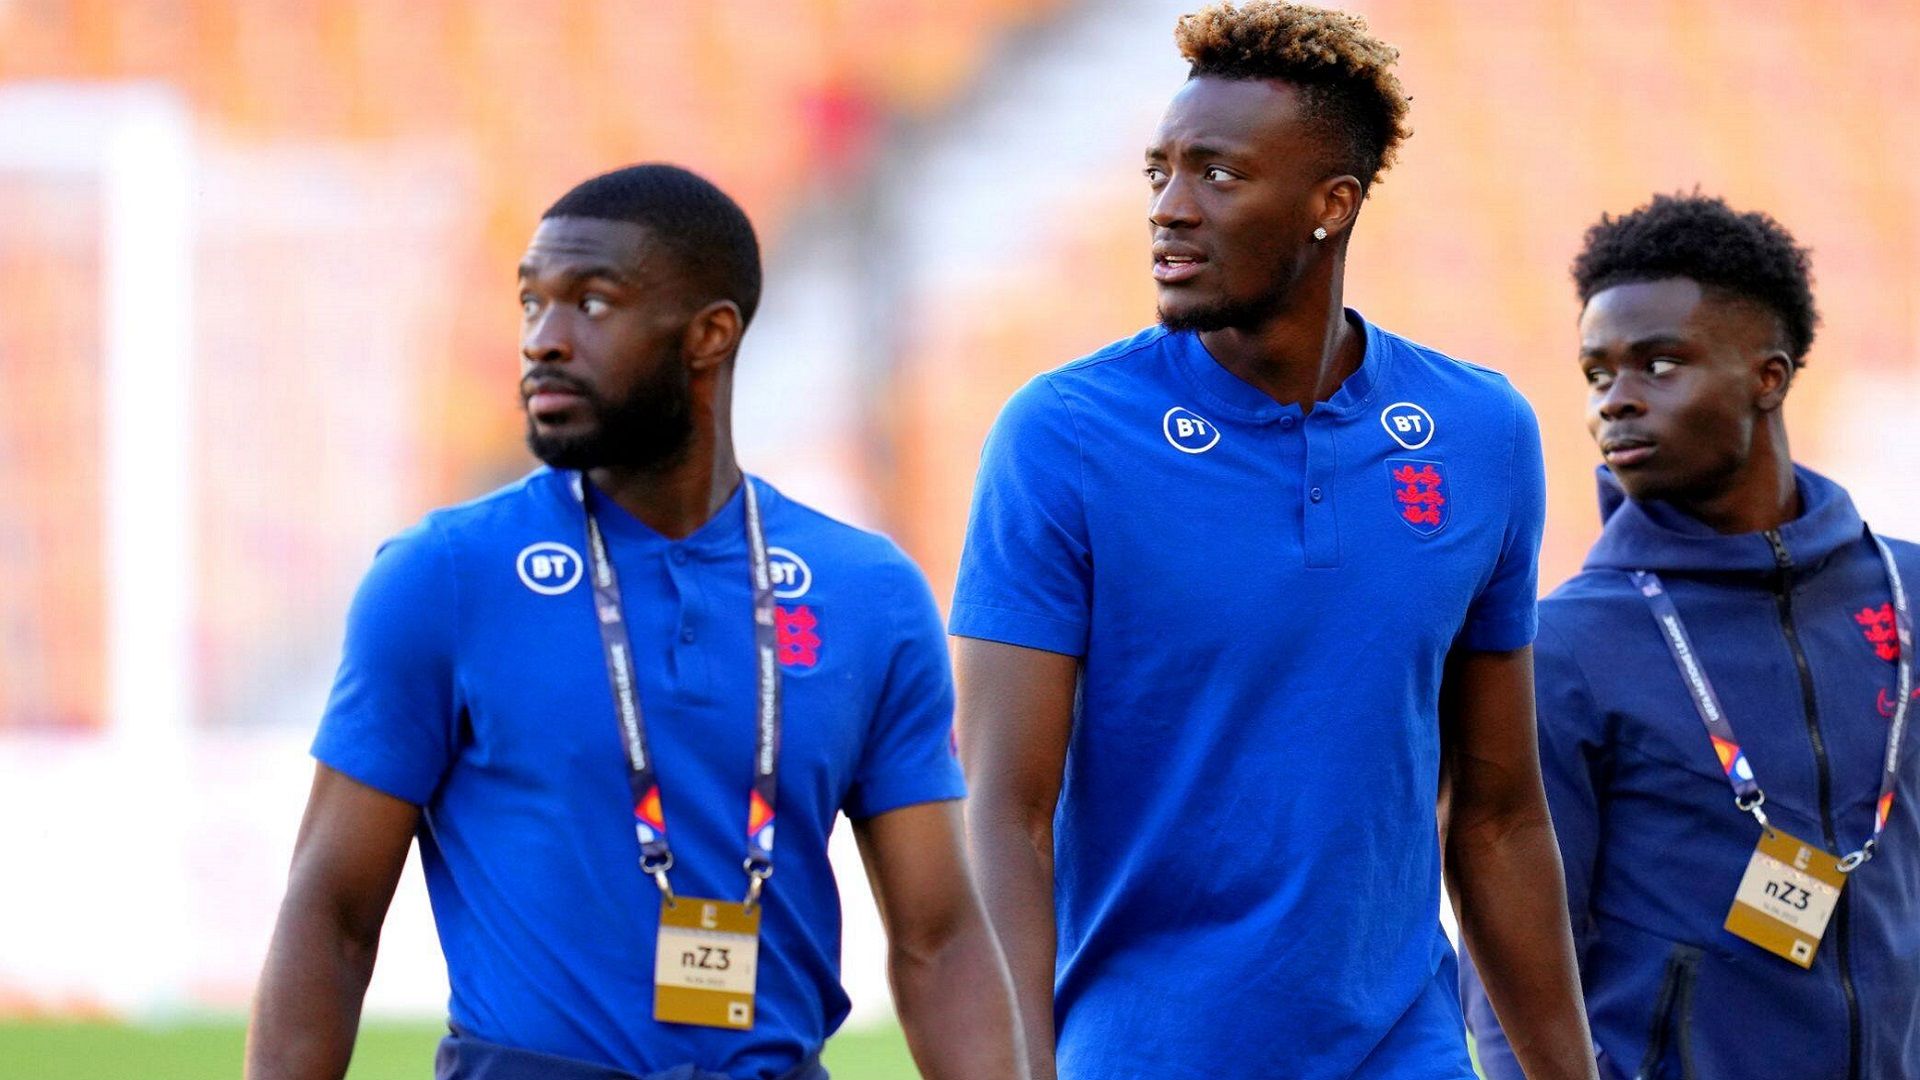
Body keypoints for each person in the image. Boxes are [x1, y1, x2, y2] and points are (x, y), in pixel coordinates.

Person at [246, 164, 1025, 1080]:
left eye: (591, 303)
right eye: (531, 302)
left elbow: (941, 939)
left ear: (708, 335)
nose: (543, 339)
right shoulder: (445, 576)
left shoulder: (867, 592)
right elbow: (331, 916)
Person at [950, 3, 1595, 1078]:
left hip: (1403, 1052)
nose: (1169, 208)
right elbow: (1002, 813)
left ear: (1330, 206)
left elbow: (1496, 815)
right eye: (1159, 171)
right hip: (1145, 1056)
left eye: (1217, 174)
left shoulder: (1482, 434)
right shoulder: (1063, 436)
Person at [1461, 193, 1920, 1079]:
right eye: (1597, 374)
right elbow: (1511, 965)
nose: (1615, 402)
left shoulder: (1909, 594)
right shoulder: (1562, 647)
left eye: (1659, 364)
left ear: (1768, 377)